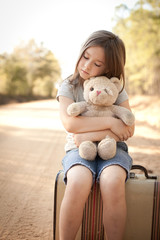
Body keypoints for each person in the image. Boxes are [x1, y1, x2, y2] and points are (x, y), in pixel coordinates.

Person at [56, 30, 135, 240]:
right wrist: (109, 123)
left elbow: (128, 128)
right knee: (78, 182)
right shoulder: (69, 85)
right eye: (86, 56)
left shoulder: (115, 88)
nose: (87, 66)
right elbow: (70, 123)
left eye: (97, 64)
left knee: (112, 182)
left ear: (109, 67)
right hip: (78, 148)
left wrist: (88, 133)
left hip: (113, 149)